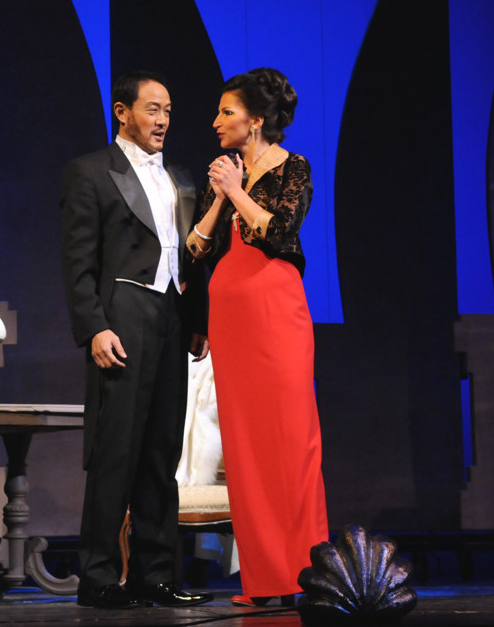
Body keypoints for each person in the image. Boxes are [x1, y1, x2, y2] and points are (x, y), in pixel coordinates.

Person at [61, 71, 214, 609]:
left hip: (171, 316)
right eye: (153, 109)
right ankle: (99, 576)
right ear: (122, 112)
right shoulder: (90, 172)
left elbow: (191, 256)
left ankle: (156, 574)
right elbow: (78, 263)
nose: (163, 120)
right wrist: (94, 327)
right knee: (116, 450)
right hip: (122, 316)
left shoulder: (179, 177)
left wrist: (197, 320)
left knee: (161, 452)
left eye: (168, 110)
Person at [185, 67, 329, 606]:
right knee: (244, 445)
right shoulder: (224, 172)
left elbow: (278, 232)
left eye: (227, 112)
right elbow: (197, 248)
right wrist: (219, 196)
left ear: (256, 120)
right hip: (231, 311)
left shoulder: (295, 167)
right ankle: (264, 578)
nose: (215, 121)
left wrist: (235, 190)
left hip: (276, 304)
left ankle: (305, 572)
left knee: (291, 437)